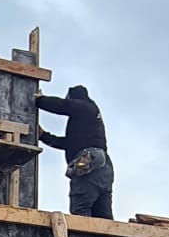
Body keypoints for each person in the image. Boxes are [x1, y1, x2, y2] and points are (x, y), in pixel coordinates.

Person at [37, 83, 115, 218]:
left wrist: (40, 100)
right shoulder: (87, 120)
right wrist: (44, 136)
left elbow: (63, 105)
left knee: (81, 211)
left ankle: (85, 233)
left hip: (89, 162)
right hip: (103, 167)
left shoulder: (85, 107)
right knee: (103, 216)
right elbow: (68, 143)